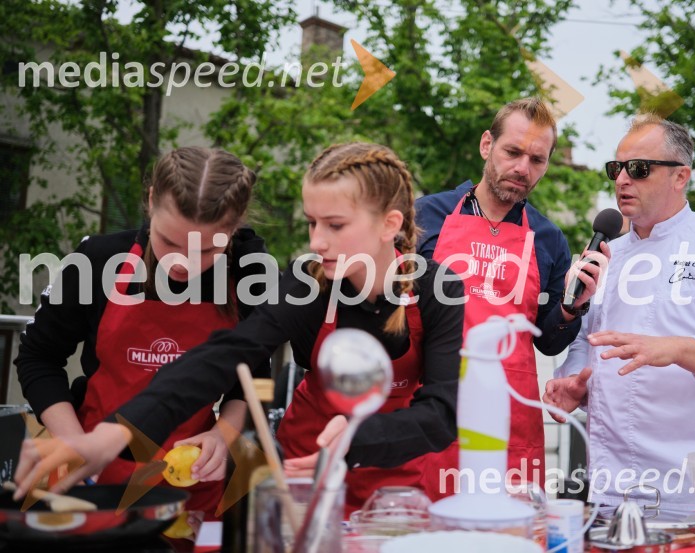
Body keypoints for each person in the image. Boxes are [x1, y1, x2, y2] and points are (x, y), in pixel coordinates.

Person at [14, 142, 464, 515]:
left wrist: (354, 438)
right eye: (311, 223)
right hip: (301, 476)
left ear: (389, 224)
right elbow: (224, 356)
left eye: (334, 225)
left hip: (401, 485)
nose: (315, 242)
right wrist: (112, 436)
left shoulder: (440, 289)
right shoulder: (308, 283)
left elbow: (442, 413)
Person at [543, 114, 695, 511]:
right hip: (608, 488)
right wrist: (573, 381)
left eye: (639, 169)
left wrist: (678, 348)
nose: (622, 179)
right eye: (616, 168)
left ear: (681, 177)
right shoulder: (605, 257)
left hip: (693, 491)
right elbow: (586, 343)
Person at [14, 146, 268, 512]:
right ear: (151, 201)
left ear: (235, 226)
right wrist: (73, 444)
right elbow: (39, 357)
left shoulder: (249, 275)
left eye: (207, 251)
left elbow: (253, 376)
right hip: (89, 477)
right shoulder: (97, 262)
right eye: (169, 242)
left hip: (192, 485)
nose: (183, 264)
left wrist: (223, 434)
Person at [416, 97, 602, 493]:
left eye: (537, 159)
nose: (522, 168)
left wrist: (572, 308)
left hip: (510, 416)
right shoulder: (425, 216)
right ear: (487, 145)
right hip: (429, 408)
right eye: (513, 152)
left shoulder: (549, 238)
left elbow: (548, 341)